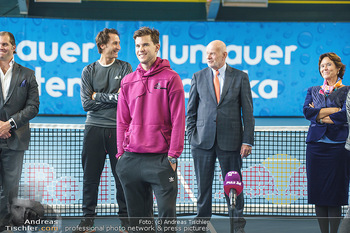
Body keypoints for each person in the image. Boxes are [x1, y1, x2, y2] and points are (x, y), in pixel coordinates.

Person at [116, 27, 185, 233]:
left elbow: (179, 120)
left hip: (161, 161)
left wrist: (173, 155)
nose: (141, 49)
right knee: (138, 223)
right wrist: (121, 154)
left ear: (157, 47)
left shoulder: (172, 79)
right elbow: (122, 121)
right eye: (138, 45)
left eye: (145, 44)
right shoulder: (128, 81)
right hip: (131, 160)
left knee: (166, 218)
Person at [186, 40, 255, 233]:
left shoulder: (240, 77)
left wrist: (247, 140)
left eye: (213, 53)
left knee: (233, 185)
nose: (208, 56)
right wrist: (192, 136)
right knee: (203, 186)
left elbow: (248, 113)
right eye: (207, 53)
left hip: (232, 142)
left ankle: (237, 225)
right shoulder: (198, 76)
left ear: (224, 55)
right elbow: (190, 111)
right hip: (201, 142)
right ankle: (201, 223)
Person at [75, 28, 132, 233]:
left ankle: (126, 222)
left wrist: (97, 96)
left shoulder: (126, 67)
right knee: (90, 178)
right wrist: (111, 98)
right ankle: (87, 222)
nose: (119, 47)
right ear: (102, 46)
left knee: (122, 178)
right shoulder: (88, 71)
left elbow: (125, 100)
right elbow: (85, 104)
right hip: (93, 130)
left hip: (118, 131)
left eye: (118, 43)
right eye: (114, 43)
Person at [303, 52, 350, 233]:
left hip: (338, 148)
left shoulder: (348, 90)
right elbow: (307, 112)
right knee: (319, 193)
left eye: (328, 65)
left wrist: (319, 114)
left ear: (338, 68)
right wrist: (330, 112)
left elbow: (344, 115)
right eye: (322, 66)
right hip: (315, 147)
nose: (325, 69)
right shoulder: (313, 90)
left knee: (335, 194)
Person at [0, 31, 40, 231]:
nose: (2, 47)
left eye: (5, 44)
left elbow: (33, 107)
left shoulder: (27, 74)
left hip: (15, 140)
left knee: (10, 187)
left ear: (13, 47)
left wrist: (9, 124)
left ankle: (5, 224)